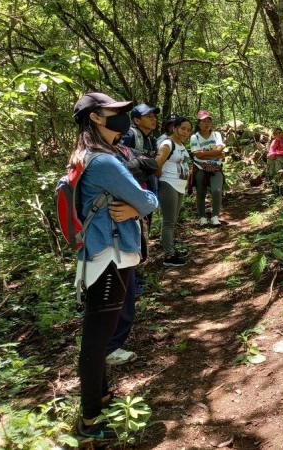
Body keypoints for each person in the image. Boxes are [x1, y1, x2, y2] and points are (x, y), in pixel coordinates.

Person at [69, 92, 158, 442]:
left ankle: (102, 396)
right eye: (114, 112)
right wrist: (140, 205)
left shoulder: (85, 156)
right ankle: (90, 421)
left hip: (99, 255)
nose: (121, 116)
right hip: (110, 256)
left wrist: (134, 207)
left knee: (100, 334)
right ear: (95, 118)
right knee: (96, 340)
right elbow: (146, 198)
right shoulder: (103, 162)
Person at [105, 103, 161, 367]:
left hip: (127, 222)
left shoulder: (131, 143)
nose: (152, 119)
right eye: (148, 115)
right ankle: (109, 346)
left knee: (127, 274)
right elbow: (140, 169)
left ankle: (111, 344)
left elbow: (146, 163)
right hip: (111, 233)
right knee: (116, 287)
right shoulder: (104, 156)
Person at [155, 116, 192, 267]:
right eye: (183, 128)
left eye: (188, 130)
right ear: (174, 128)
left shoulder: (181, 144)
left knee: (173, 220)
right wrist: (162, 179)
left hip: (179, 185)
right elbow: (157, 163)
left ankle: (171, 250)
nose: (185, 132)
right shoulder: (167, 143)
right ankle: (169, 256)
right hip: (168, 184)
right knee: (169, 222)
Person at [189, 110, 225, 226]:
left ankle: (215, 216)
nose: (206, 123)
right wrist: (216, 154)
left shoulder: (217, 135)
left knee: (217, 190)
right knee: (200, 192)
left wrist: (205, 152)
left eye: (208, 120)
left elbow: (220, 150)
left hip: (216, 168)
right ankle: (202, 217)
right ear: (198, 123)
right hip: (200, 168)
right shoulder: (195, 137)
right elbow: (197, 154)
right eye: (203, 121)